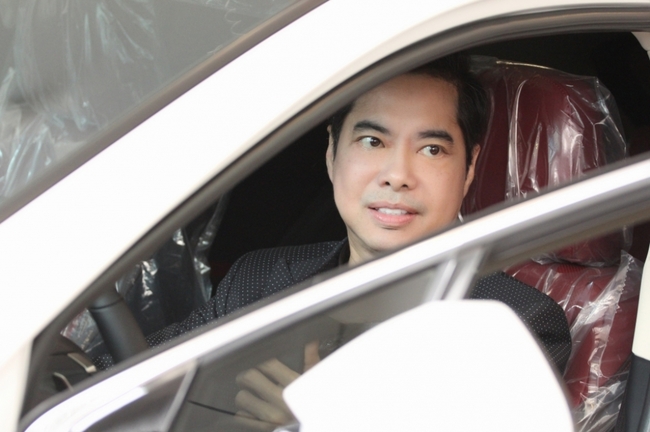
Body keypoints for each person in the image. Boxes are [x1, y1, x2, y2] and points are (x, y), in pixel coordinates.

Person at [114, 55, 571, 427]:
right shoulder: (260, 279)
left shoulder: (515, 323)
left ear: (469, 168)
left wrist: (319, 421)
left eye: (431, 149)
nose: (397, 175)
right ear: (332, 153)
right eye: (372, 141)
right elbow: (126, 381)